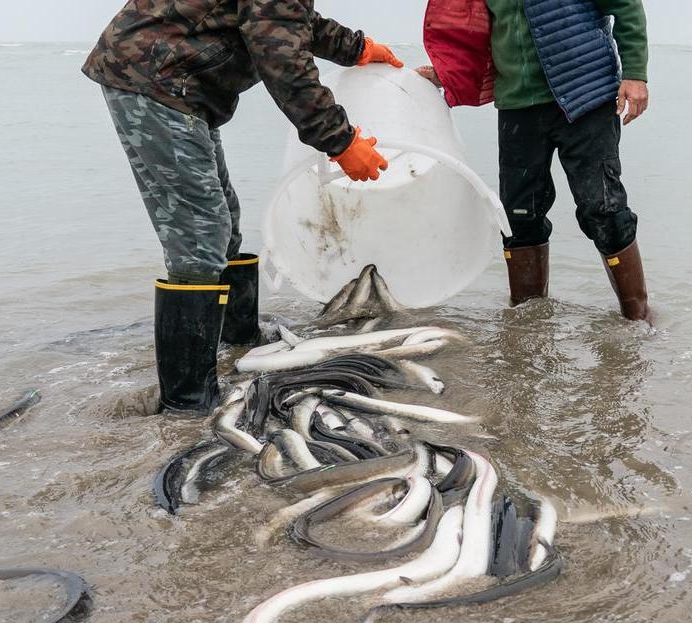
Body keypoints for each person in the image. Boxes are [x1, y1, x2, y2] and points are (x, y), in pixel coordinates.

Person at [82, 1, 403, 415]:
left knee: (223, 219)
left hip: (178, 84)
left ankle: (238, 341)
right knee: (200, 233)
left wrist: (355, 48)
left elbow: (289, 20)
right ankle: (186, 400)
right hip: (156, 80)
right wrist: (339, 140)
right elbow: (281, 57)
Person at [416, 0, 654, 323]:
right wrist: (448, 72)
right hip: (519, 104)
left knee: (603, 209)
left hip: (586, 95)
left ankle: (638, 323)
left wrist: (636, 74)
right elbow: (473, 28)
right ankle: (526, 327)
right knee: (518, 217)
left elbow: (626, 7)